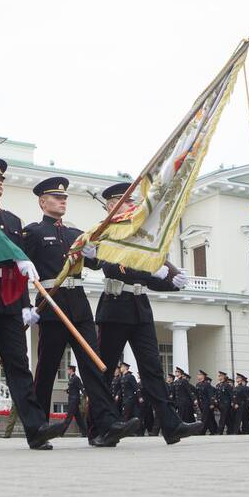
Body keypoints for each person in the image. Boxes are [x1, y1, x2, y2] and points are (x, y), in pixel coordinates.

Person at [0, 158, 66, 450]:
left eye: (1, 179)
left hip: (8, 298)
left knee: (19, 365)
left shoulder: (14, 220)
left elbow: (21, 268)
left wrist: (26, 304)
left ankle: (35, 428)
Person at [22, 176, 140, 447]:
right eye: (57, 197)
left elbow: (95, 264)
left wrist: (92, 251)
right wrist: (25, 305)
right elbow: (22, 270)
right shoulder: (34, 232)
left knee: (93, 366)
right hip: (52, 306)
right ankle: (38, 428)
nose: (63, 201)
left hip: (79, 305)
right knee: (47, 367)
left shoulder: (77, 234)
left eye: (65, 198)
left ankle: (108, 423)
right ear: (43, 202)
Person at [89, 181, 202, 444]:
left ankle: (170, 425)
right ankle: (99, 429)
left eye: (133, 201)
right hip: (114, 308)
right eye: (125, 201)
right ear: (111, 205)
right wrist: (150, 267)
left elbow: (149, 280)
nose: (131, 206)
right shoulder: (107, 233)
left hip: (140, 309)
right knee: (104, 371)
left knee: (152, 369)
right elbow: (114, 267)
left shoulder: (142, 234)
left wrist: (171, 281)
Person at [63, 366, 87, 436]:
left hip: (74, 400)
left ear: (71, 370)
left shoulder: (76, 378)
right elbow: (72, 389)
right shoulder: (72, 378)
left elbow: (81, 387)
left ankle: (61, 432)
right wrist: (67, 390)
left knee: (69, 417)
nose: (67, 370)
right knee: (78, 418)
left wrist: (86, 396)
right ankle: (85, 433)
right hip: (72, 399)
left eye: (68, 369)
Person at [195, 370, 219, 435]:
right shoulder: (198, 384)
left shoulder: (207, 384)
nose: (198, 375)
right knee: (208, 418)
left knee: (204, 418)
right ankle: (213, 431)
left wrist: (211, 403)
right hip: (201, 404)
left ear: (203, 376)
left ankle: (201, 432)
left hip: (207, 404)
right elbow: (197, 395)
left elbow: (210, 395)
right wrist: (197, 401)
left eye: (199, 374)